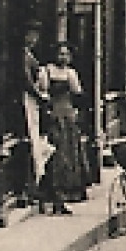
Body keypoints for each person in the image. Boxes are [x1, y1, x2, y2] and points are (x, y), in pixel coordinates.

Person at [38, 42, 86, 214]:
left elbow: (77, 92)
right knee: (56, 154)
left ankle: (67, 194)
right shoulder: (46, 71)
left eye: (66, 54)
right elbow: (42, 93)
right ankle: (54, 194)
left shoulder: (70, 73)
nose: (63, 58)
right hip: (54, 115)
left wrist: (75, 111)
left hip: (68, 114)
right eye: (61, 54)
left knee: (69, 154)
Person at [18, 21, 52, 207]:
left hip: (33, 102)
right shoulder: (23, 55)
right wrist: (40, 95)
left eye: (36, 35)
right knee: (33, 140)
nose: (34, 39)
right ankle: (31, 188)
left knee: (37, 142)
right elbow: (26, 81)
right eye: (31, 34)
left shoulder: (29, 55)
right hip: (28, 103)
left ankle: (34, 186)